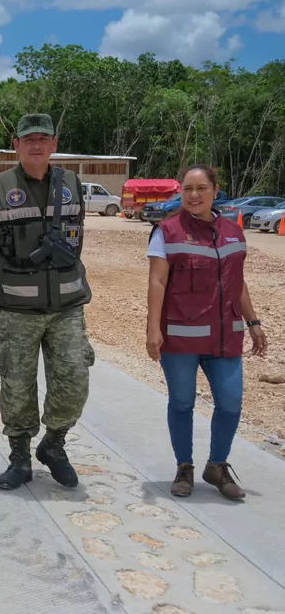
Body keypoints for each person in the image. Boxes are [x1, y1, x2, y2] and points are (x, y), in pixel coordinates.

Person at [0, 113, 95, 492]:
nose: (36, 144)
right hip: (15, 308)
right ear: (16, 145)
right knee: (18, 388)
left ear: (55, 144)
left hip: (67, 307)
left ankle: (53, 446)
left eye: (43, 138)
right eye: (28, 139)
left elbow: (77, 238)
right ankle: (20, 458)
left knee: (74, 381)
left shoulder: (72, 183)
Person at [146, 164, 267, 501]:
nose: (194, 195)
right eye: (187, 189)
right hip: (181, 337)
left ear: (216, 190)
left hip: (225, 336)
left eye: (201, 188)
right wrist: (152, 330)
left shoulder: (233, 232)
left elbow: (236, 282)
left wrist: (254, 322)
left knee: (230, 404)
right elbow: (157, 281)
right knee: (182, 403)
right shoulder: (166, 232)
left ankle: (216, 466)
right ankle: (184, 467)